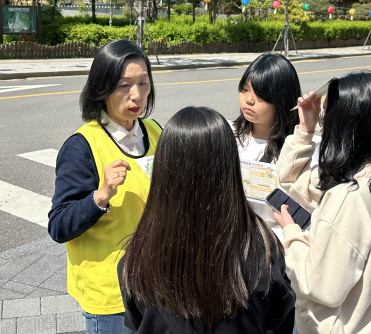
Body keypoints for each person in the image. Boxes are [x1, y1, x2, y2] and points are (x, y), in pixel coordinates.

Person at [118, 107, 296, 334]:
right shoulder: (261, 247)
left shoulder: (137, 256)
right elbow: (279, 316)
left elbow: (135, 319)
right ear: (230, 167)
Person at [273, 70, 371, 334]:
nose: (322, 122)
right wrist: (305, 129)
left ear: (346, 126)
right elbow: (290, 180)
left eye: (327, 115)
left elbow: (319, 285)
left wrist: (291, 233)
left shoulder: (347, 199)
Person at [48, 39, 162, 334]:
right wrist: (100, 197)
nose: (136, 94)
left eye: (143, 83)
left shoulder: (155, 131)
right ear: (103, 88)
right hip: (111, 297)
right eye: (124, 86)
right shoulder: (81, 147)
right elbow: (59, 226)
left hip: (157, 285)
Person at [231, 53, 302, 164]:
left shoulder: (297, 150)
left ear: (282, 101)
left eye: (260, 95)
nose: (249, 100)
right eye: (245, 89)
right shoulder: (228, 137)